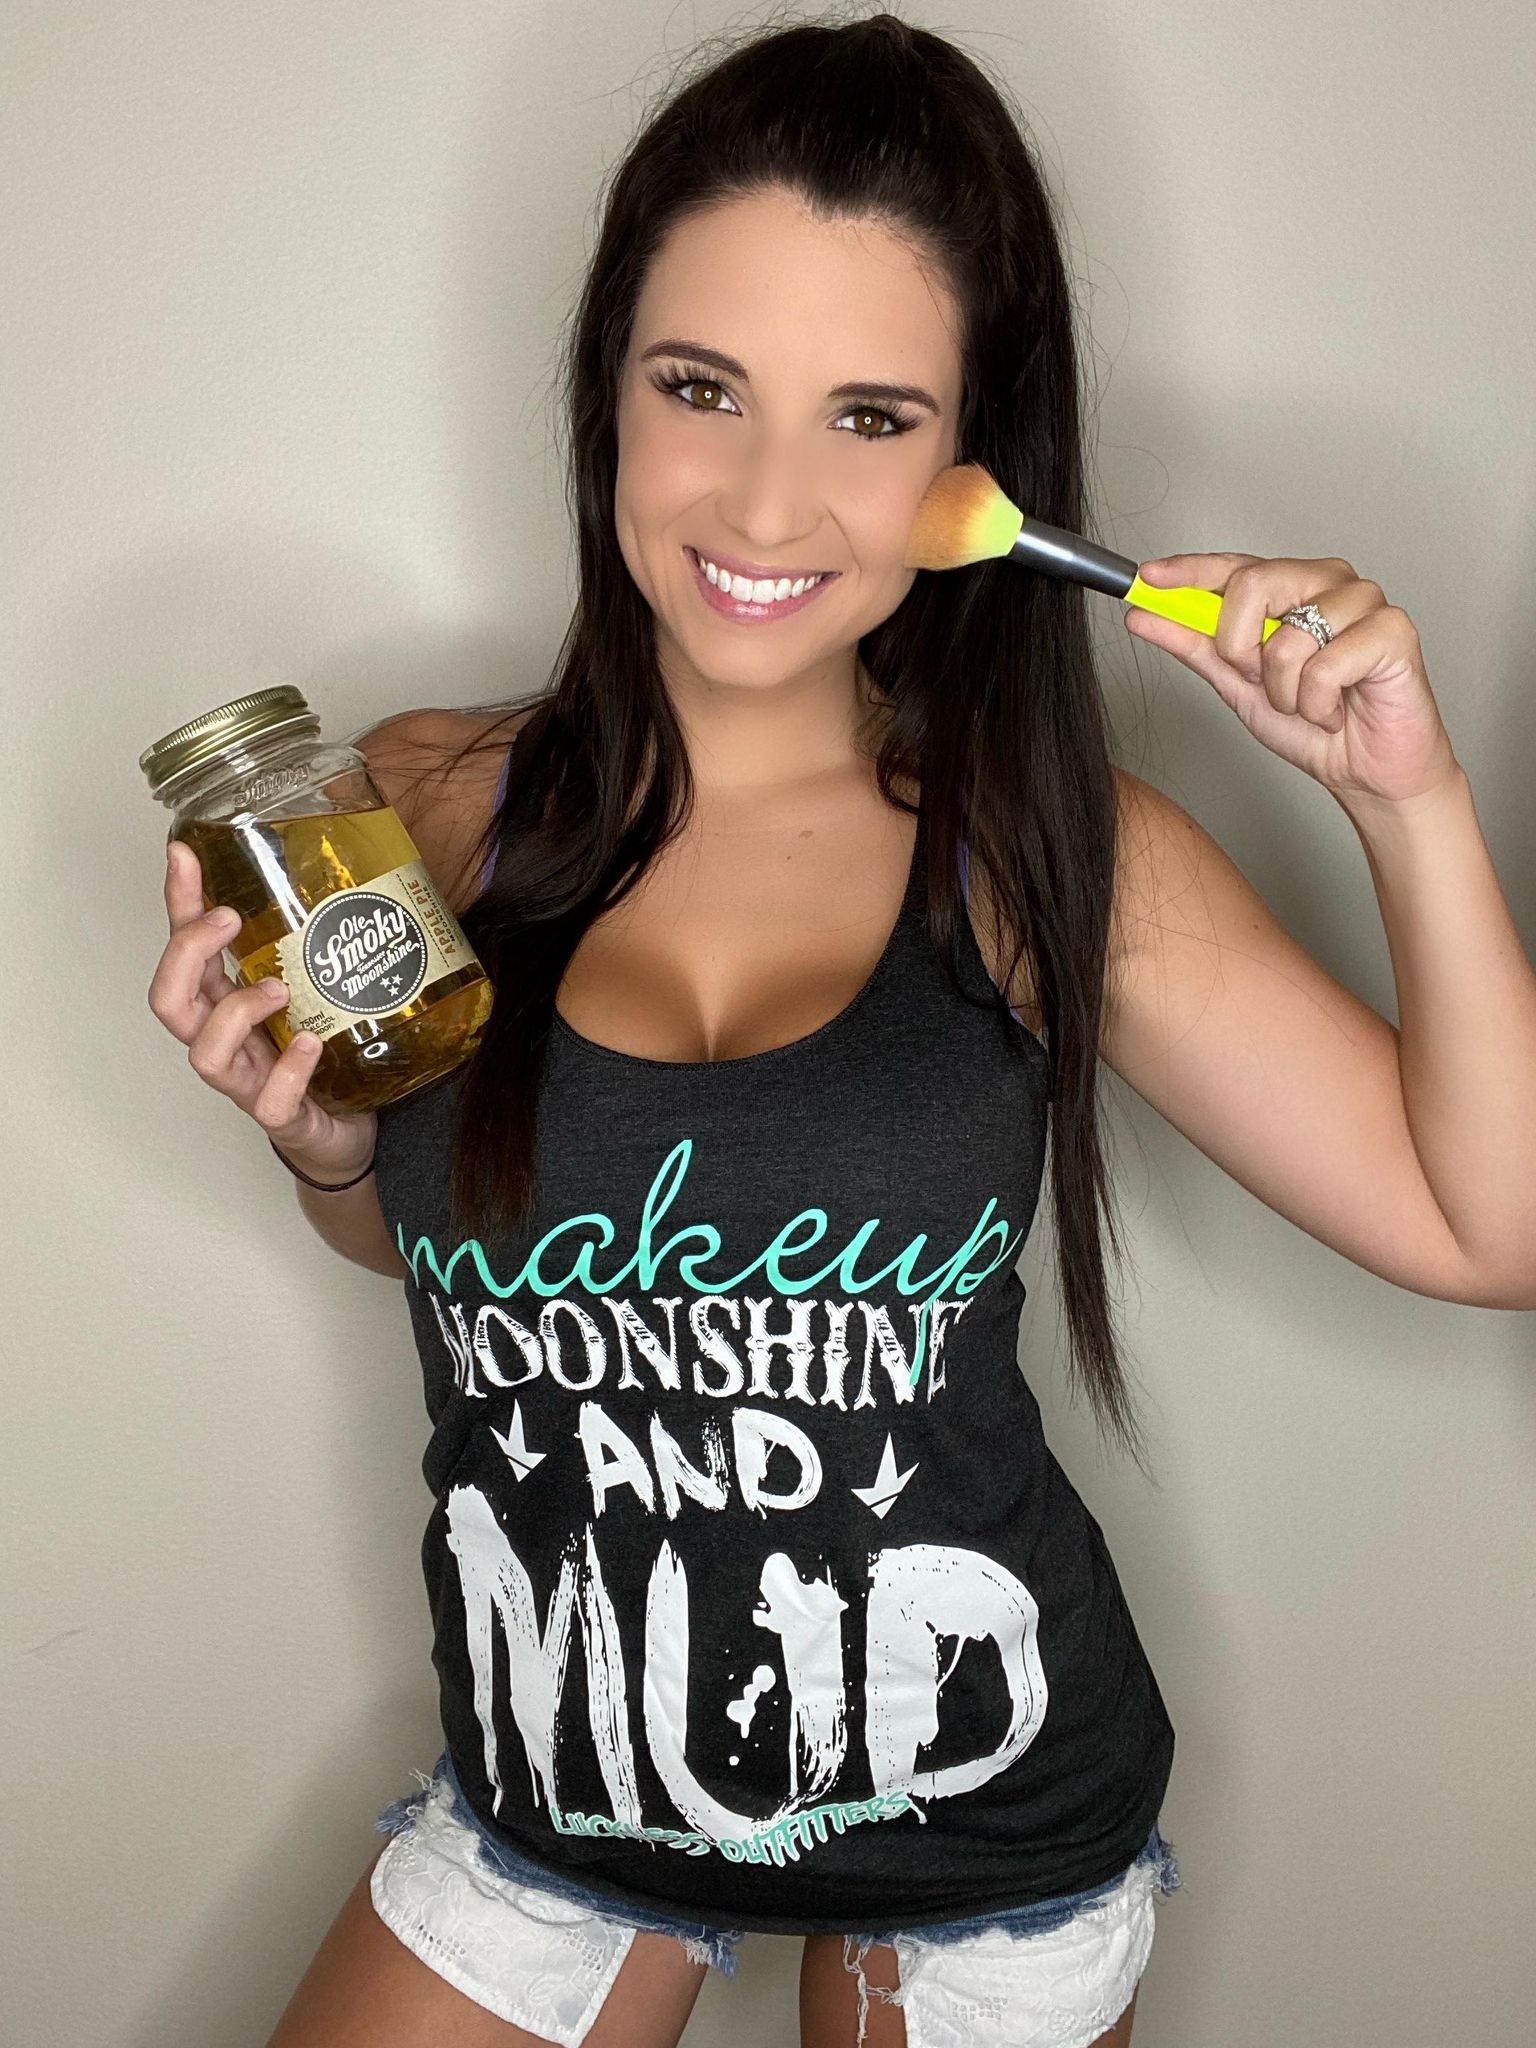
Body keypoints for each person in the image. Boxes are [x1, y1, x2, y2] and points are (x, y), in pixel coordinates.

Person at [147, 15, 1536, 2048]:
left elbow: (1494, 1227)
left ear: (974, 471)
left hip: (980, 1843)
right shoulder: (422, 804)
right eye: (700, 386)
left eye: (870, 417)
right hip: (551, 1799)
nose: (769, 498)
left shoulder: (1047, 855)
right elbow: (442, 1253)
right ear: (606, 386)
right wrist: (324, 1147)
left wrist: (1407, 800)